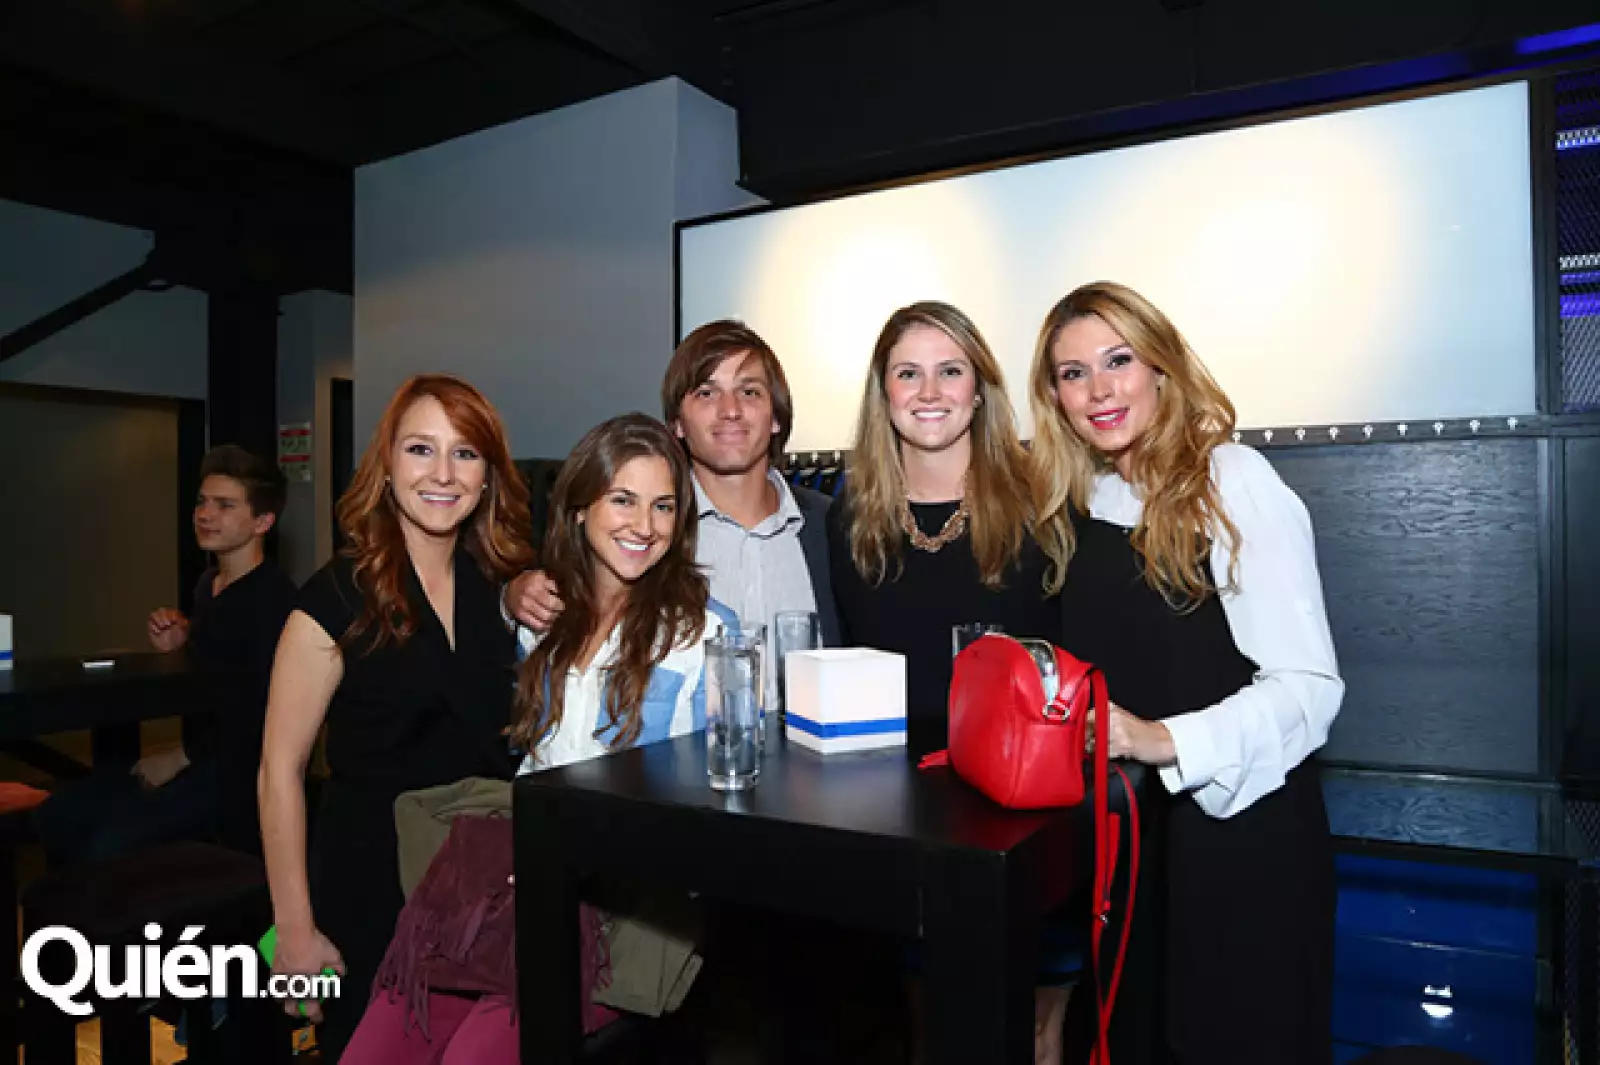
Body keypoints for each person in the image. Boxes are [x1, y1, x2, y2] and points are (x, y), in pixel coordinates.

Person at [341, 413, 736, 1062]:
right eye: (623, 499)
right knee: (374, 1049)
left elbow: (722, 802)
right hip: (502, 879)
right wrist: (510, 595)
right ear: (578, 507)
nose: (645, 523)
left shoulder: (703, 634)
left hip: (616, 908)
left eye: (664, 505)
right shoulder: (541, 618)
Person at [1029, 281, 1342, 1064]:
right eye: (1072, 373)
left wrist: (1160, 738)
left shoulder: (1231, 480)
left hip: (1244, 846)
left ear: (1161, 368)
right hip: (1132, 854)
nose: (1098, 390)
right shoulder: (1077, 502)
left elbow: (1309, 688)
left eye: (1117, 360)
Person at [257, 374, 535, 1059]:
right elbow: (278, 771)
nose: (443, 473)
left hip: (481, 893)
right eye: (420, 449)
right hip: (371, 889)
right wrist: (293, 927)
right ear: (387, 467)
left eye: (466, 453)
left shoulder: (496, 590)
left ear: (489, 476)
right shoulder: (331, 599)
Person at [505, 320, 839, 657]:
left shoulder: (835, 527)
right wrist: (514, 597)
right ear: (677, 423)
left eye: (749, 391)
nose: (731, 410)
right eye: (707, 393)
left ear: (776, 417)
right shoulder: (648, 529)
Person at [34, 444, 295, 864]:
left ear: (262, 521)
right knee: (57, 815)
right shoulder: (209, 585)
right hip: (200, 756)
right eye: (202, 502)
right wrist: (182, 643)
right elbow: (217, 672)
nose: (205, 514)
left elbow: (259, 711)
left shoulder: (273, 599)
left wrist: (180, 757)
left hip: (237, 773)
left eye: (225, 505)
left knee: (104, 843)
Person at [826, 300, 1058, 761]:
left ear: (978, 390)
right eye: (909, 374)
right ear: (884, 393)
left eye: (950, 371)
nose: (929, 392)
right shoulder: (851, 521)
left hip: (1015, 787)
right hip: (884, 795)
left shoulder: (1042, 507)